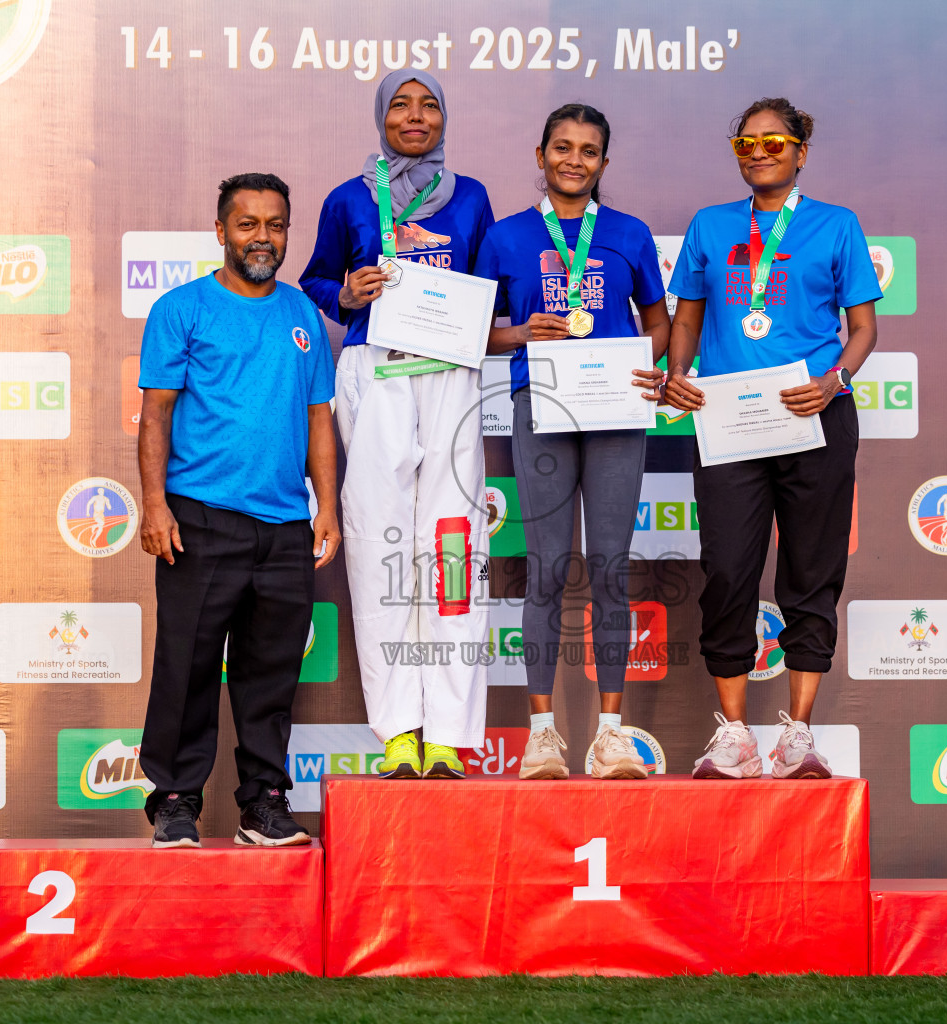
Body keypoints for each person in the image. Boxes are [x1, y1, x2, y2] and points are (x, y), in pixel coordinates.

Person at [659, 98, 880, 780]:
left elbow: (864, 329)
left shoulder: (836, 226)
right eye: (745, 143)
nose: (758, 151)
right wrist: (676, 371)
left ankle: (799, 737)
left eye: (774, 142)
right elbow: (686, 321)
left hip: (813, 415)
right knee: (727, 572)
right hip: (727, 420)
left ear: (800, 151)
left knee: (812, 572)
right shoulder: (709, 225)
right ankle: (734, 735)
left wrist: (835, 380)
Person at [300, 71, 495, 780]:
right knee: (383, 547)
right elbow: (315, 281)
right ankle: (399, 731)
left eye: (430, 105)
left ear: (445, 118)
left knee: (451, 550)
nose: (416, 117)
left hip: (448, 374)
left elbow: (485, 287)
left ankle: (448, 731)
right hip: (374, 371)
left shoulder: (470, 196)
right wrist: (347, 290)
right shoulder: (348, 198)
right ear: (381, 117)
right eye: (402, 106)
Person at [136, 173, 340, 848]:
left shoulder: (304, 315)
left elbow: (318, 421)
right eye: (247, 224)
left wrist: (327, 508)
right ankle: (174, 801)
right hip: (198, 517)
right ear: (221, 232)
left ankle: (264, 802)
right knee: (186, 667)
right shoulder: (181, 308)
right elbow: (155, 414)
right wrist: (155, 504)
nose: (263, 237)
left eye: (275, 224)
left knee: (270, 675)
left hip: (284, 526)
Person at [472, 104, 670, 780]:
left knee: (611, 568)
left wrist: (649, 367)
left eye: (589, 151)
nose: (574, 160)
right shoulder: (504, 238)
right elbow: (478, 331)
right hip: (543, 407)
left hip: (615, 410)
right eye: (562, 147)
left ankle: (611, 734)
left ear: (604, 164)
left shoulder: (630, 234)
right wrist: (525, 332)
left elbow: (660, 320)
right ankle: (542, 735)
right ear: (540, 155)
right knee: (549, 570)